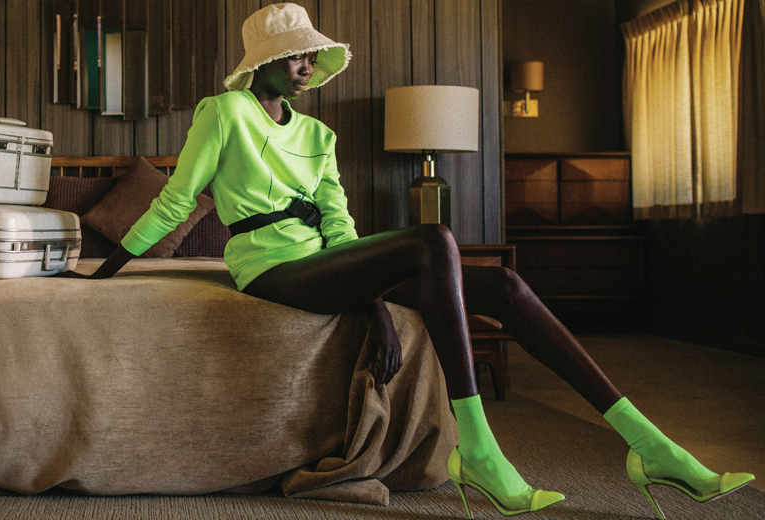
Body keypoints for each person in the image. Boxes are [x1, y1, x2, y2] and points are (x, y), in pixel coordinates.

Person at [61, 3, 754, 518]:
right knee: (432, 241)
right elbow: (177, 200)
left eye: (312, 57)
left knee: (504, 282)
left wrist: (375, 306)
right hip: (269, 270)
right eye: (297, 56)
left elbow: (340, 228)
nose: (307, 67)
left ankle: (650, 445)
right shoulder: (223, 113)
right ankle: (479, 451)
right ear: (263, 60)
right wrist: (107, 268)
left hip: (322, 265)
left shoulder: (319, 135)